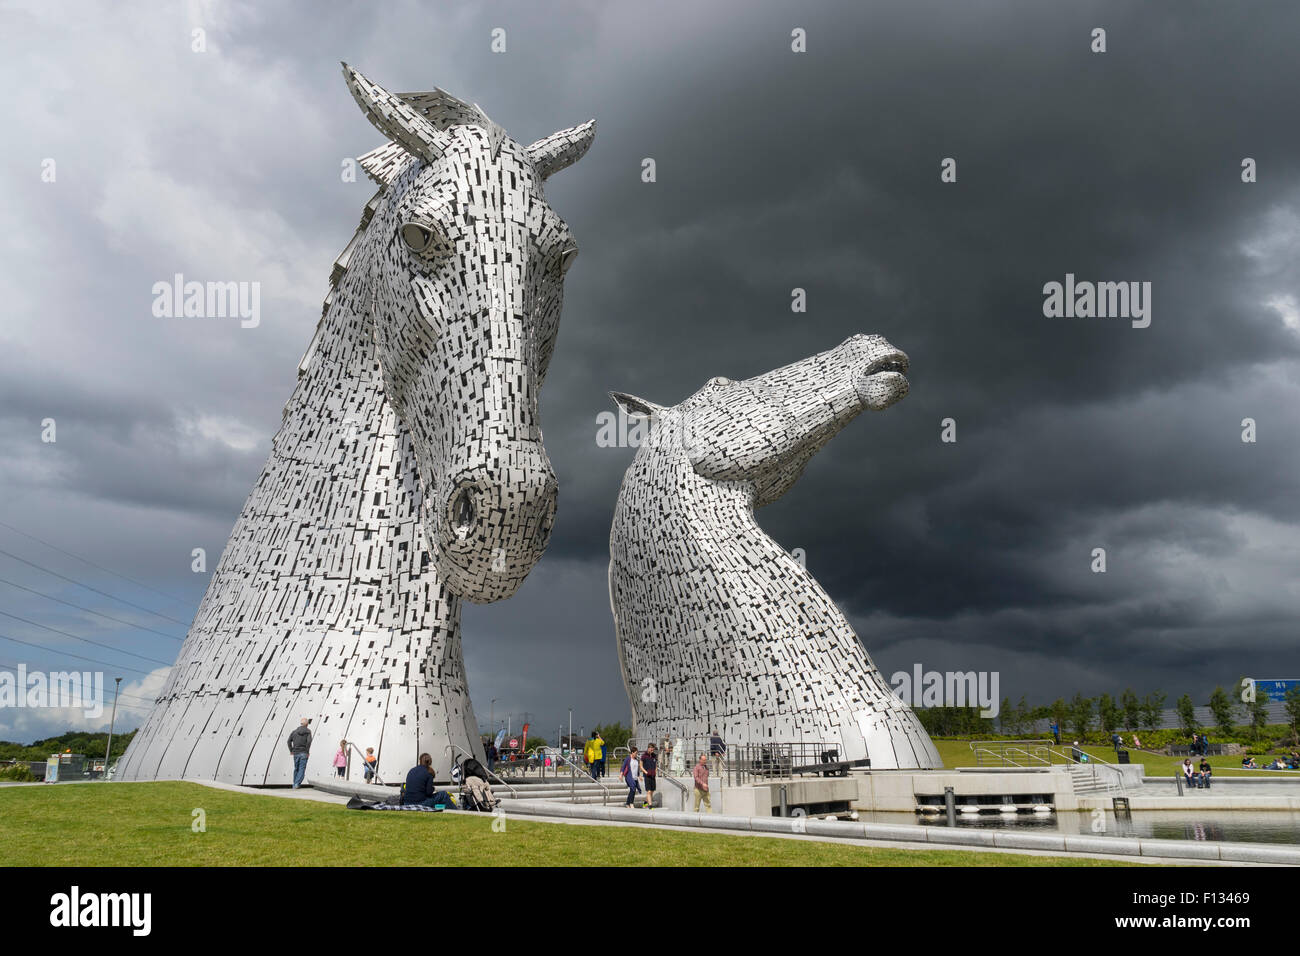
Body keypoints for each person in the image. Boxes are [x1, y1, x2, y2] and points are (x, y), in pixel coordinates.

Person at [287, 718, 311, 789]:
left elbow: (288, 741)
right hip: (304, 753)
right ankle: (296, 784)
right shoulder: (308, 731)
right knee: (301, 769)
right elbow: (309, 742)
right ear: (307, 724)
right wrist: (307, 751)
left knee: (296, 768)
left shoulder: (294, 732)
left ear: (301, 724)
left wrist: (291, 750)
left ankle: (295, 784)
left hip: (296, 753)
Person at [641, 743, 658, 809]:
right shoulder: (644, 756)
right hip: (647, 776)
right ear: (648, 748)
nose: (652, 751)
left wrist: (655, 771)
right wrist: (646, 772)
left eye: (653, 750)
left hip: (653, 775)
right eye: (651, 750)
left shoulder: (654, 756)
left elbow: (656, 765)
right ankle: (650, 806)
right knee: (649, 791)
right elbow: (641, 766)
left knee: (652, 791)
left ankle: (645, 803)